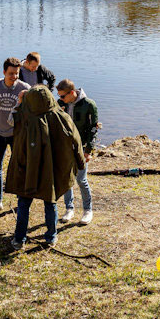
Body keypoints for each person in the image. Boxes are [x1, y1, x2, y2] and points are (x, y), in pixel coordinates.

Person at [6, 85, 85, 248]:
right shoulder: (62, 116)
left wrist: (20, 102)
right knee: (51, 202)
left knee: (23, 204)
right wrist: (80, 162)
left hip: (28, 169)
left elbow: (10, 122)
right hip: (51, 170)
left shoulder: (24, 116)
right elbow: (76, 141)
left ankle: (19, 239)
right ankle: (51, 237)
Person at [0, 57, 30, 211]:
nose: (14, 77)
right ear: (4, 72)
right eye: (11, 73)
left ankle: (21, 202)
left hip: (16, 135)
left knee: (19, 167)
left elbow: (32, 107)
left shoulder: (24, 88)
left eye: (16, 73)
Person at [56, 79, 100, 225]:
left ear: (72, 93)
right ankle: (69, 209)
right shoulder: (60, 103)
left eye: (62, 96)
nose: (60, 99)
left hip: (81, 147)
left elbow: (93, 129)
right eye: (59, 96)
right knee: (66, 179)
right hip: (64, 147)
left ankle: (88, 210)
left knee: (81, 179)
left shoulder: (89, 104)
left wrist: (89, 150)